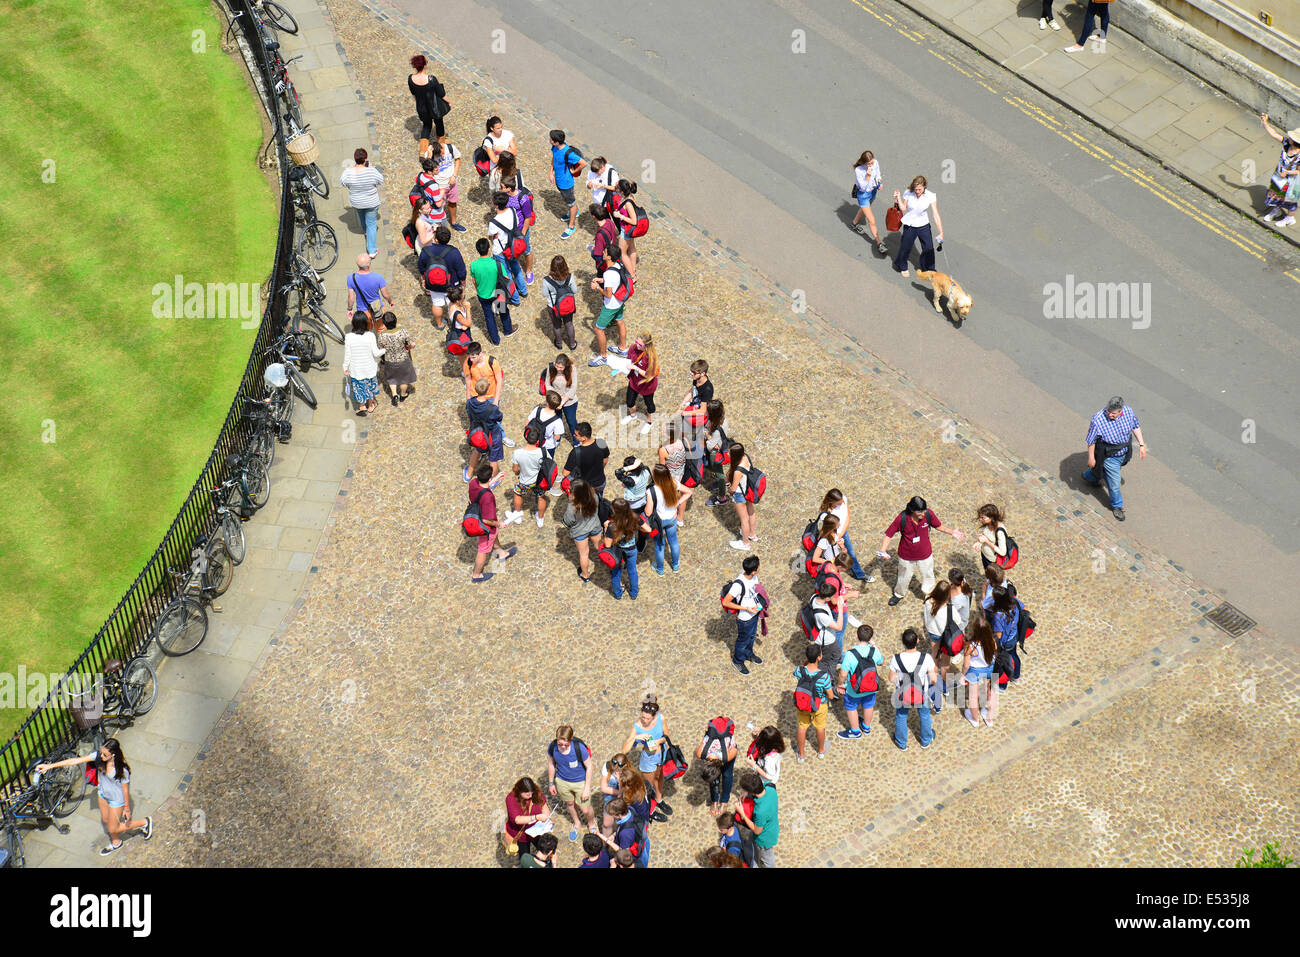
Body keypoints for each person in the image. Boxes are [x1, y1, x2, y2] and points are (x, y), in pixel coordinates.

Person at [36, 739, 152, 855]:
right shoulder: (98, 756)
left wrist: (126, 808)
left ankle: (145, 822)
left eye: (105, 755)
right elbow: (75, 761)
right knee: (106, 820)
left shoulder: (122, 770)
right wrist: (50, 766)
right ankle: (116, 842)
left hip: (116, 800)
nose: (101, 756)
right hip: (102, 794)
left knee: (113, 828)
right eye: (101, 753)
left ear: (113, 755)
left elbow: (125, 789)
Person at [877, 495, 964, 606]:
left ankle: (929, 595)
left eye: (924, 511)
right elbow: (888, 534)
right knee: (903, 577)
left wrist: (952, 532)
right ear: (912, 510)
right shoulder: (902, 518)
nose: (923, 514)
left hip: (925, 554)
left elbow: (938, 526)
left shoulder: (928, 514)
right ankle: (898, 594)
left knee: (928, 575)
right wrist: (883, 550)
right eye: (920, 512)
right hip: (906, 556)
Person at [1082, 395, 1147, 521]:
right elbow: (1091, 440)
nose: (1110, 415)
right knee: (1115, 483)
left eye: (1113, 413)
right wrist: (1091, 458)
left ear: (1121, 411)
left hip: (1124, 450)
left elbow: (1135, 426)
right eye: (1108, 412)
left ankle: (1090, 476)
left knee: (1106, 471)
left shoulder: (1128, 411)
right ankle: (1117, 506)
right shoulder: (1098, 419)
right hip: (1110, 456)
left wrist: (1141, 444)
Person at [546, 726, 597, 843]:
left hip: (580, 782)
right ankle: (577, 822)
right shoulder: (553, 747)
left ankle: (591, 823)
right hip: (562, 781)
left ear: (571, 740)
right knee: (570, 803)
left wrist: (587, 788)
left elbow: (589, 766)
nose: (563, 747)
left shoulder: (579, 748)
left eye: (566, 744)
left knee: (585, 809)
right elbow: (551, 764)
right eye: (560, 744)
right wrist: (551, 783)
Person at [622, 693, 672, 813]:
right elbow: (624, 750)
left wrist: (659, 741)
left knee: (659, 778)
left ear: (654, 716)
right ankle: (650, 810)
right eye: (643, 717)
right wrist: (636, 737)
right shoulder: (637, 727)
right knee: (647, 786)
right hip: (648, 758)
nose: (644, 720)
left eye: (647, 718)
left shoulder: (661, 718)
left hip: (661, 754)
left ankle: (659, 800)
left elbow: (667, 735)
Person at [890, 627, 936, 750]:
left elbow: (891, 678)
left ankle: (901, 742)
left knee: (901, 716)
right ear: (917, 641)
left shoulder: (896, 659)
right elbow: (933, 679)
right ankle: (926, 740)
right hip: (922, 693)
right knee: (925, 715)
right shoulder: (926, 658)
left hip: (903, 693)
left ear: (903, 642)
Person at [469, 463, 516, 582]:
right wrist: (499, 524)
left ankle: (501, 553)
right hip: (485, 527)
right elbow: (486, 520)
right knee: (483, 550)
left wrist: (494, 480)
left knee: (493, 537)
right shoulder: (488, 497)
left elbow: (482, 488)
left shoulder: (473, 483)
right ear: (489, 478)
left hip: (476, 515)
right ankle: (476, 575)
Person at [836, 623, 884, 739]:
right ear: (870, 638)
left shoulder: (850, 654)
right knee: (868, 705)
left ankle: (855, 731)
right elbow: (881, 662)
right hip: (870, 686)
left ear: (857, 636)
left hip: (854, 689)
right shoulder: (874, 651)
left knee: (851, 706)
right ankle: (866, 727)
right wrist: (874, 645)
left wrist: (840, 684)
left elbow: (843, 674)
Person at [891, 175, 943, 279]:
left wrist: (941, 232)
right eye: (916, 189)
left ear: (924, 187)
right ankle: (902, 266)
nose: (917, 191)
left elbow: (935, 214)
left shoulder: (930, 196)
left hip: (924, 225)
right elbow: (903, 208)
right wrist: (898, 198)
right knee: (906, 247)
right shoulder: (909, 193)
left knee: (928, 248)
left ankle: (929, 268)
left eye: (920, 189)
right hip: (910, 225)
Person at [418, 225, 467, 329]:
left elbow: (421, 268)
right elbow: (461, 271)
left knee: (437, 304)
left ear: (436, 239)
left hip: (433, 284)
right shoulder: (454, 252)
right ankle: (457, 325)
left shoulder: (425, 251)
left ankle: (440, 324)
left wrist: (424, 279)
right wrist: (463, 285)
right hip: (452, 285)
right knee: (454, 305)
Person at [722, 554, 764, 674]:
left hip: (754, 614)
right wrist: (746, 608)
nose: (760, 568)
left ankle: (748, 654)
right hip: (744, 618)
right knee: (742, 640)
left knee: (751, 637)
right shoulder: (738, 585)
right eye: (758, 566)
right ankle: (738, 660)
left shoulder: (754, 577)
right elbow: (726, 602)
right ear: (753, 571)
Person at [601, 498, 651, 600]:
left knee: (616, 572)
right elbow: (648, 529)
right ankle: (634, 593)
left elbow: (607, 544)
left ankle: (618, 593)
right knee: (632, 570)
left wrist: (606, 529)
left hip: (618, 550)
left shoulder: (612, 526)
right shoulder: (635, 518)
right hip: (631, 549)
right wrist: (637, 527)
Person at [588, 245, 629, 366]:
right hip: (620, 302)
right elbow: (614, 281)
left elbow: (608, 294)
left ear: (609, 257)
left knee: (598, 329)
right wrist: (602, 280)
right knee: (620, 322)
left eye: (605, 252)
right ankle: (622, 348)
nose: (603, 253)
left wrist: (597, 287)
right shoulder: (618, 265)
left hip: (611, 306)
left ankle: (603, 356)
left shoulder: (608, 274)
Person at [820, 488, 873, 581]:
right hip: (834, 537)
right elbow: (828, 530)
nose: (842, 504)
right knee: (833, 558)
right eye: (839, 503)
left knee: (850, 553)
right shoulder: (826, 514)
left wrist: (841, 534)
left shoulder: (844, 498)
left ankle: (859, 574)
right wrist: (837, 539)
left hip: (841, 534)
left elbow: (848, 516)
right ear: (832, 502)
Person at [923, 580, 960, 710]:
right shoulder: (949, 610)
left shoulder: (928, 600)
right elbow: (959, 622)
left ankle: (933, 682)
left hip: (932, 632)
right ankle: (945, 686)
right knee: (945, 662)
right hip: (945, 637)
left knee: (934, 656)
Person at [792, 644, 834, 762]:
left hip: (803, 704)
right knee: (820, 728)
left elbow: (797, 671)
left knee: (802, 727)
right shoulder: (824, 676)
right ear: (819, 657)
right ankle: (821, 751)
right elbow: (830, 695)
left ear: (806, 656)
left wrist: (806, 662)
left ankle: (801, 755)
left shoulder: (799, 670)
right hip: (819, 706)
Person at [469, 237, 513, 345]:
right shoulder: (497, 264)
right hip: (498, 293)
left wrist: (478, 290)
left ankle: (495, 340)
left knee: (489, 317)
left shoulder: (474, 265)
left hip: (483, 294)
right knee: (503, 311)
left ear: (477, 250)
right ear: (489, 249)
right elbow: (506, 278)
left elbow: (474, 281)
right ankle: (507, 330)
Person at [340, 148, 383, 257]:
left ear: (355, 159)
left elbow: (343, 181)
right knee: (372, 225)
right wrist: (371, 167)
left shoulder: (349, 172)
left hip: (357, 202)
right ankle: (372, 251)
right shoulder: (371, 171)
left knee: (362, 217)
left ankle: (365, 232)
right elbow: (380, 180)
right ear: (365, 159)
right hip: (371, 202)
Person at [504, 423, 548, 529]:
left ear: (526, 438)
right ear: (537, 441)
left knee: (517, 493)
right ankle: (540, 518)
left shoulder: (517, 453)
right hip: (538, 481)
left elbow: (515, 469)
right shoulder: (543, 452)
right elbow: (548, 464)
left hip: (524, 481)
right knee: (541, 497)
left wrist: (518, 473)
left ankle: (518, 515)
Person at [1260, 115, 1300, 226]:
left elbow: (1299, 172)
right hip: (1279, 177)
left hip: (1292, 181)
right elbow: (1274, 134)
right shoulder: (1287, 144)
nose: (1289, 137)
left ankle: (1290, 218)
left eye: (1292, 137)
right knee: (1277, 195)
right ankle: (1276, 210)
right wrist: (1265, 123)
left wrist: (1286, 173)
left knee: (1290, 201)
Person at [961, 606, 998, 728]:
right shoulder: (993, 641)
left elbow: (966, 664)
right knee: (991, 692)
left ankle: (975, 719)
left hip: (975, 671)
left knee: (973, 695)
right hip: (989, 668)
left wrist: (963, 675)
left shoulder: (971, 646)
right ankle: (989, 718)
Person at [488, 190, 527, 305]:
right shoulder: (512, 211)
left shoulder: (494, 222)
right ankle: (523, 290)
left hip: (500, 251)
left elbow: (491, 237)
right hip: (513, 247)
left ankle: (515, 298)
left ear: (496, 205)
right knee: (516, 268)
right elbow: (517, 223)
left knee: (506, 275)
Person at [342, 313, 385, 415]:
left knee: (359, 388)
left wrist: (345, 367)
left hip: (356, 369)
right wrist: (384, 350)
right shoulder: (370, 335)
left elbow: (348, 354)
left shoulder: (348, 337)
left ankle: (362, 406)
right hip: (369, 368)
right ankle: (370, 405)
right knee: (369, 387)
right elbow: (376, 353)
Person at [465, 377, 505, 484]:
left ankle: (468, 474)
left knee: (477, 451)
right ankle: (491, 481)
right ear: (487, 391)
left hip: (478, 434)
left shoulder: (469, 403)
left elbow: (469, 413)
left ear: (476, 389)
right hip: (492, 435)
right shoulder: (492, 408)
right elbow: (499, 417)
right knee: (493, 458)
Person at [734, 771, 777, 867]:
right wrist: (746, 792)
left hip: (764, 839)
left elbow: (757, 831)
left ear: (752, 792)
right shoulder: (771, 789)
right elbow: (762, 785)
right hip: (773, 827)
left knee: (768, 860)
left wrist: (742, 813)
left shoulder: (760, 811)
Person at [562, 479, 602, 583]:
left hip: (580, 532)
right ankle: (609, 563)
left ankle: (585, 575)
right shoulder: (594, 497)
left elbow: (568, 521)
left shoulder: (572, 507)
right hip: (595, 526)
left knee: (584, 554)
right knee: (600, 547)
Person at [696, 716, 738, 816]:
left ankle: (724, 801)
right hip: (718, 755)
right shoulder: (701, 753)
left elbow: (735, 750)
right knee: (713, 779)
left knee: (727, 776)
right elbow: (704, 742)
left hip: (728, 752)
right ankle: (715, 800)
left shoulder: (727, 756)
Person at [408, 54, 448, 157]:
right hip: (434, 108)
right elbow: (441, 94)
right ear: (425, 65)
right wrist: (449, 102)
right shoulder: (431, 79)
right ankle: (441, 148)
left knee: (426, 126)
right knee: (439, 124)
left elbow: (414, 94)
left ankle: (423, 151)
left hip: (421, 108)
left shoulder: (411, 79)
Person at [549, 129, 586, 239]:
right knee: (568, 201)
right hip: (559, 181)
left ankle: (571, 226)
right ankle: (574, 212)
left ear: (556, 142)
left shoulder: (568, 153)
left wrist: (574, 171)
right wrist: (551, 172)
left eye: (551, 139)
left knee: (571, 203)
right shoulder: (555, 148)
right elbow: (554, 158)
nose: (549, 140)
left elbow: (583, 163)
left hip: (566, 183)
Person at [503, 776, 551, 860]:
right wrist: (536, 817)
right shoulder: (511, 799)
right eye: (527, 794)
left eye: (532, 793)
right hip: (522, 834)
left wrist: (547, 818)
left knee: (546, 852)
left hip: (537, 831)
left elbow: (544, 806)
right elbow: (517, 819)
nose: (530, 796)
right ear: (520, 791)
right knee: (524, 857)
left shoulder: (535, 792)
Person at [622, 332, 660, 437]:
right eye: (636, 342)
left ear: (646, 345)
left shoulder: (651, 357)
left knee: (649, 405)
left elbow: (649, 375)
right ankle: (633, 415)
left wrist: (636, 368)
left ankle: (649, 422)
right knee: (629, 402)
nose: (637, 345)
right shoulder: (633, 348)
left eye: (640, 344)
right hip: (634, 382)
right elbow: (628, 361)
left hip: (647, 386)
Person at [656, 421, 694, 525]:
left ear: (669, 435)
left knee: (674, 497)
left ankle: (673, 516)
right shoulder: (684, 440)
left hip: (672, 476)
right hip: (683, 472)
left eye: (664, 431)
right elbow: (689, 455)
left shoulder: (664, 449)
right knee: (683, 494)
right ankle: (680, 519)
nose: (661, 431)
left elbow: (662, 468)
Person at [808, 578, 847, 679]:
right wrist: (840, 608)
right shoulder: (822, 615)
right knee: (827, 661)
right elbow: (839, 627)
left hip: (821, 637)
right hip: (826, 642)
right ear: (827, 598)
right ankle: (827, 680)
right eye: (832, 596)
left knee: (836, 654)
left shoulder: (814, 597)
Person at [345, 253, 396, 330]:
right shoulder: (378, 277)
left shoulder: (351, 278)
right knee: (381, 329)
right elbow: (385, 295)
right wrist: (390, 301)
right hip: (377, 307)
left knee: (366, 331)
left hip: (363, 311)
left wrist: (350, 309)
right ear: (369, 265)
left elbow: (351, 298)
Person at [850, 150, 888, 254]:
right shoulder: (859, 170)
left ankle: (854, 223)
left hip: (873, 191)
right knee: (872, 220)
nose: (871, 165)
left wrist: (879, 183)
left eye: (872, 162)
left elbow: (878, 175)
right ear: (863, 162)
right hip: (863, 195)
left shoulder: (875, 162)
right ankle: (879, 243)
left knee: (864, 210)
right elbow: (862, 187)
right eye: (869, 163)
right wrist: (868, 175)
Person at [375, 312, 416, 406]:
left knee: (392, 378)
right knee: (404, 379)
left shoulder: (382, 336)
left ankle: (394, 395)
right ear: (396, 321)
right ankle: (403, 394)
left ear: (384, 324)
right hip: (403, 359)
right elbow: (412, 344)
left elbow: (380, 349)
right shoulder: (403, 332)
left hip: (390, 360)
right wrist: (409, 346)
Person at [646, 464, 680, 575]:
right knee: (673, 542)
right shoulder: (673, 483)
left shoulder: (651, 491)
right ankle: (675, 566)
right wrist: (676, 505)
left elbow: (648, 512)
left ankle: (660, 570)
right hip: (671, 519)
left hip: (658, 522)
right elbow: (688, 492)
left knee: (659, 545)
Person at [502, 175, 536, 285]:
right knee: (511, 249)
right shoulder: (505, 195)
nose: (500, 189)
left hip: (521, 230)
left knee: (527, 251)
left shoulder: (523, 199)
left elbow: (528, 217)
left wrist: (523, 233)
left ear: (509, 188)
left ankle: (529, 271)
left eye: (502, 187)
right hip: (509, 229)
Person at [725, 442, 759, 551]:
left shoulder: (737, 471)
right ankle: (752, 534)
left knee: (744, 520)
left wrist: (729, 491)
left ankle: (745, 543)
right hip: (748, 490)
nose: (728, 454)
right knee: (751, 512)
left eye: (730, 453)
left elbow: (734, 488)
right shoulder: (746, 457)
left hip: (740, 495)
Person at [563, 422, 610, 497]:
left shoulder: (576, 452)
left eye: (576, 435)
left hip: (585, 486)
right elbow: (605, 459)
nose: (574, 435)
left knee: (587, 505)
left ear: (584, 438)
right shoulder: (601, 442)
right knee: (599, 500)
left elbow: (565, 473)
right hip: (600, 482)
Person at [542, 256, 579, 350]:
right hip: (567, 305)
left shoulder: (546, 280)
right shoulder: (569, 277)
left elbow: (544, 294)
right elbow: (575, 290)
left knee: (557, 325)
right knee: (569, 324)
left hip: (553, 307)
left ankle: (559, 344)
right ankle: (572, 344)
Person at [430, 137, 466, 231]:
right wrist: (429, 156)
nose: (441, 156)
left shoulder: (450, 148)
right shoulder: (430, 153)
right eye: (439, 156)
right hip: (439, 186)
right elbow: (426, 167)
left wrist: (454, 176)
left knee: (453, 202)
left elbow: (458, 160)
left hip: (452, 183)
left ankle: (454, 223)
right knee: (438, 206)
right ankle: (439, 227)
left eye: (442, 153)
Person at [543, 353, 579, 444]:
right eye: (557, 366)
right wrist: (555, 399)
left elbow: (573, 387)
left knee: (571, 422)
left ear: (565, 366)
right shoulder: (551, 367)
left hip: (569, 402)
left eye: (560, 368)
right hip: (554, 400)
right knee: (556, 421)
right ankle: (557, 438)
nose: (558, 369)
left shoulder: (572, 369)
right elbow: (548, 384)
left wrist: (562, 402)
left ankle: (576, 442)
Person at [612, 179, 641, 278]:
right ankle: (633, 269)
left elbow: (634, 221)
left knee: (622, 253)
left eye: (617, 187)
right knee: (632, 248)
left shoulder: (628, 202)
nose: (615, 188)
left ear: (621, 190)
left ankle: (632, 276)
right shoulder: (627, 197)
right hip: (629, 229)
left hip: (626, 229)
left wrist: (620, 216)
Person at [483, 115, 516, 193]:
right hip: (497, 168)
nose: (501, 130)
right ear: (492, 128)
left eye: (501, 127)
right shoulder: (488, 141)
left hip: (509, 166)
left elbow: (515, 152)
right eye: (498, 128)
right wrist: (507, 151)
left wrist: (501, 150)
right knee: (498, 189)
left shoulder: (508, 134)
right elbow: (494, 160)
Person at [599, 752, 629, 835]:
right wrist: (619, 792)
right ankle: (605, 844)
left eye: (618, 770)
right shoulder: (607, 766)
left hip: (624, 799)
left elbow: (624, 793)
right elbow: (604, 788)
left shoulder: (628, 773)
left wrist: (619, 780)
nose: (615, 771)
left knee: (621, 821)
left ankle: (617, 835)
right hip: (610, 797)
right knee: (606, 824)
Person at [972, 504, 1010, 569]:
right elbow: (987, 536)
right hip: (985, 555)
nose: (980, 519)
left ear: (991, 518)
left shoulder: (999, 532)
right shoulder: (988, 524)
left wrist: (987, 541)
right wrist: (979, 542)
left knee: (992, 577)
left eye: (983, 518)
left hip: (992, 560)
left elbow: (1003, 552)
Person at [745, 725, 784, 789]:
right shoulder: (777, 746)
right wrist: (757, 735)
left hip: (765, 782)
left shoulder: (770, 759)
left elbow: (770, 777)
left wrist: (754, 765)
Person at [678, 358, 714, 425]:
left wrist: (684, 413)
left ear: (703, 373)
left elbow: (703, 411)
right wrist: (683, 403)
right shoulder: (696, 379)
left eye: (694, 373)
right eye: (691, 372)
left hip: (699, 412)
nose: (692, 374)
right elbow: (692, 391)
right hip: (693, 405)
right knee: (681, 410)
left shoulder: (707, 390)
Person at [589, 203, 620, 273]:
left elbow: (598, 256)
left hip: (605, 264)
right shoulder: (609, 221)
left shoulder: (599, 235)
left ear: (593, 216)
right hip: (612, 252)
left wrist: (592, 251)